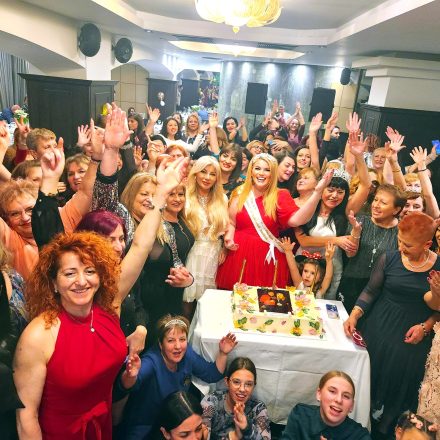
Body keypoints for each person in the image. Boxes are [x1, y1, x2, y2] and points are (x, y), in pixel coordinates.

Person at [343, 212, 440, 438]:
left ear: (427, 244)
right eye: (399, 241)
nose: (401, 247)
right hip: (379, 330)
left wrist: (425, 327)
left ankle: (386, 430)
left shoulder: (438, 268)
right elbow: (370, 291)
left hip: (413, 340)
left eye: (408, 245)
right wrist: (354, 315)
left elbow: (438, 309)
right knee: (369, 381)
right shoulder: (389, 258)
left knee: (399, 387)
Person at [216, 153, 332, 290]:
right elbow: (231, 222)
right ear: (251, 171)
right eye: (257, 168)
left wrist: (317, 193)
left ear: (273, 173)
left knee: (264, 299)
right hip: (238, 253)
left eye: (267, 170)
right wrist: (228, 238)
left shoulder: (280, 195)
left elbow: (296, 220)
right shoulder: (239, 192)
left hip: (265, 257)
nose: (261, 173)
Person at [117, 315, 237, 439]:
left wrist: (223, 353)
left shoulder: (186, 353)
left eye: (182, 339)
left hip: (176, 425)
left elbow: (212, 374)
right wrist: (130, 376)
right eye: (171, 340)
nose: (178, 346)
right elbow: (124, 386)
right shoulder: (151, 362)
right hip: (146, 425)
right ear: (160, 344)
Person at [338, 183, 407, 313]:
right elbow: (350, 254)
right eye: (375, 200)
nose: (376, 205)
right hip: (351, 283)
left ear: (396, 210)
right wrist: (356, 231)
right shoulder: (360, 221)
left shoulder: (402, 231)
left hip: (380, 290)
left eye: (383, 203)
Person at [183, 156, 228, 319]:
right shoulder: (185, 196)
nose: (207, 177)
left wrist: (224, 249)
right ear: (195, 173)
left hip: (214, 254)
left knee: (207, 305)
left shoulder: (222, 199)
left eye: (212, 174)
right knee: (187, 302)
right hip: (192, 252)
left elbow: (227, 228)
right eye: (203, 172)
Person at [281, 371, 371, 440]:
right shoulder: (300, 416)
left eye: (346, 396)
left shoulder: (360, 436)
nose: (339, 400)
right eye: (332, 391)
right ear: (319, 394)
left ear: (351, 406)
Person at [202, 356, 271, 440]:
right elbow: (201, 436)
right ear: (227, 382)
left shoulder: (258, 408)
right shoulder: (211, 402)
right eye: (236, 382)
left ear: (254, 386)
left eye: (248, 384)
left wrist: (247, 428)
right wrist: (233, 437)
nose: (242, 389)